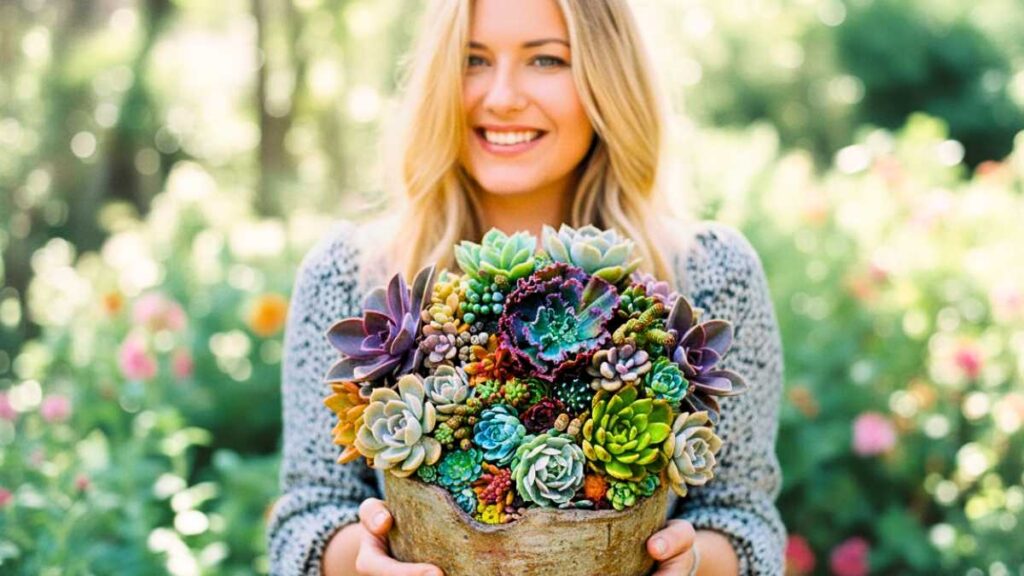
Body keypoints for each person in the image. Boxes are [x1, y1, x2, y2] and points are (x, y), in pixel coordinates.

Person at [267, 0, 786, 574]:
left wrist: (694, 564)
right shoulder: (350, 273)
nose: (503, 95)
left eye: (545, 59)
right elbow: (306, 518)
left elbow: (745, 521)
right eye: (473, 60)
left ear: (607, 77)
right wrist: (360, 562)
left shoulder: (710, 273)